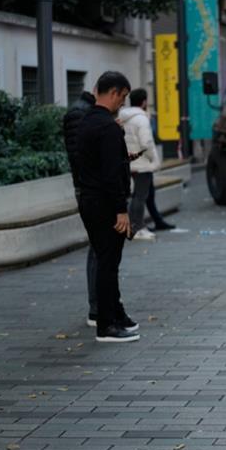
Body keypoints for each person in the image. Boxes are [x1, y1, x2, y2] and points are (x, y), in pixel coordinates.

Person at [75, 71, 139, 343]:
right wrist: (121, 209)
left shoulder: (87, 121)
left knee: (107, 259)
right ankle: (106, 324)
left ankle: (115, 313)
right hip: (104, 204)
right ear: (113, 93)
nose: (122, 104)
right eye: (122, 98)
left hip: (90, 200)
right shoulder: (107, 127)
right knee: (108, 262)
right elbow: (111, 174)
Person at [63, 89, 99, 326]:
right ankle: (96, 308)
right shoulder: (79, 114)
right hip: (90, 189)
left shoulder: (86, 112)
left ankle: (100, 306)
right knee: (98, 246)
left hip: (92, 187)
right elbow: (81, 156)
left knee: (100, 247)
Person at [119, 88, 161, 241]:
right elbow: (146, 143)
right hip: (142, 163)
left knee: (136, 196)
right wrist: (152, 158)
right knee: (140, 197)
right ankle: (137, 228)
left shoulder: (124, 117)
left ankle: (132, 226)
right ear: (144, 102)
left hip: (130, 162)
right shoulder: (141, 119)